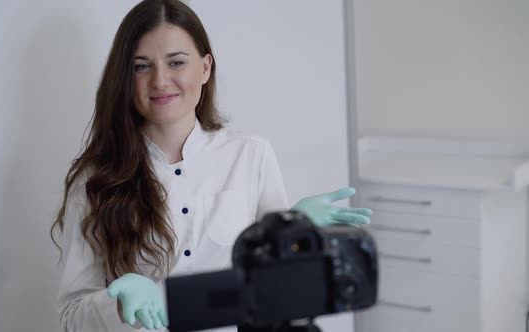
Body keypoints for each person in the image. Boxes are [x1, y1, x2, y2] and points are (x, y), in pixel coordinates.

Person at [50, 0, 372, 331]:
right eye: (141, 66)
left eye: (176, 62)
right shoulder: (95, 178)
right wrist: (116, 305)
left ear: (205, 68)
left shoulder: (251, 156)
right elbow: (72, 314)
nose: (160, 81)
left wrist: (294, 234)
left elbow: (277, 294)